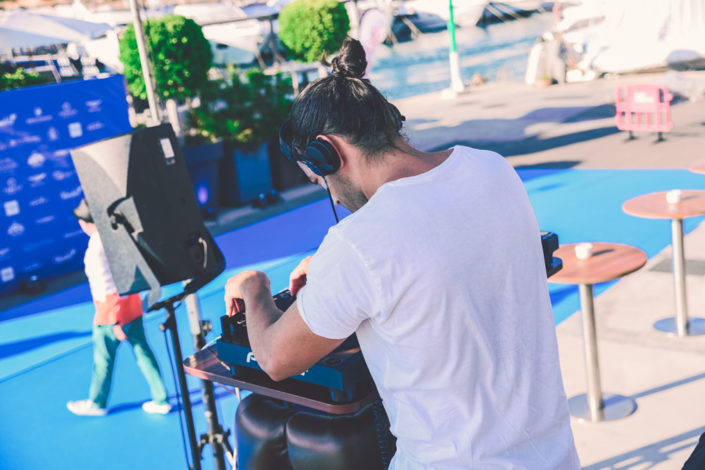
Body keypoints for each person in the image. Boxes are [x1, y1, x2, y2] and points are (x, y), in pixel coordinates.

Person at [224, 37, 580, 469]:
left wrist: (254, 288)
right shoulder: (491, 168)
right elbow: (446, 244)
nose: (333, 196)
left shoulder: (359, 243)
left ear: (328, 152)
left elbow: (275, 359)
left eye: (322, 181)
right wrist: (333, 272)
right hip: (554, 457)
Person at [66, 198, 171, 416]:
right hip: (132, 307)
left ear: (85, 223)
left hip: (110, 314)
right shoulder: (118, 238)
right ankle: (161, 399)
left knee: (103, 360)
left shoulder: (96, 250)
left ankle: (97, 403)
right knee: (144, 353)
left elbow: (109, 287)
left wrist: (116, 321)